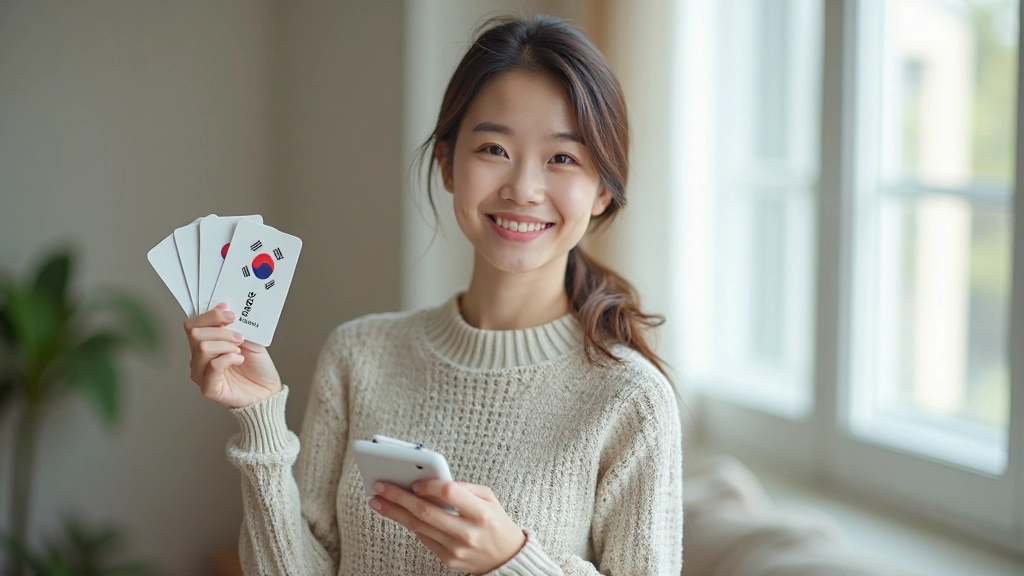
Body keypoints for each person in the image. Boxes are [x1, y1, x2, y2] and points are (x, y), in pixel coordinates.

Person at [183, 14, 683, 575]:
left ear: (602, 192)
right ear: (447, 163)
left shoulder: (630, 400)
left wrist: (512, 561)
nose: (523, 188)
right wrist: (261, 421)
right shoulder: (358, 355)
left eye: (563, 158)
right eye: (493, 148)